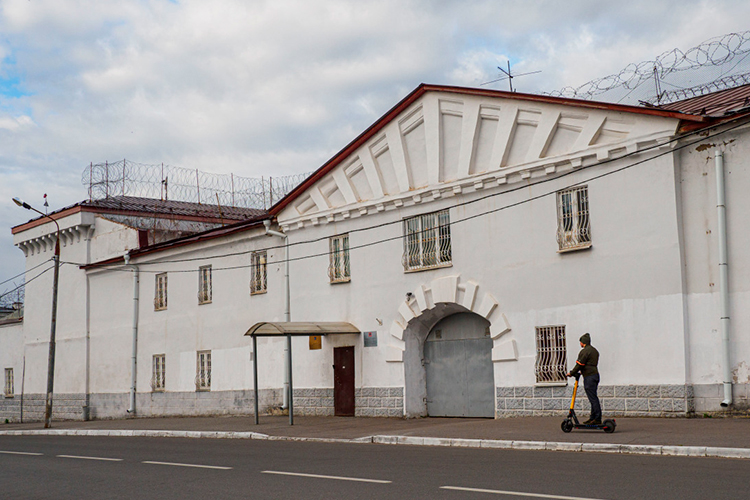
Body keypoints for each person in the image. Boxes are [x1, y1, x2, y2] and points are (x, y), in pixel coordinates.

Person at [567, 333, 601, 425]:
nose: (580, 344)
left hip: (589, 377)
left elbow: (580, 364)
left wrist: (571, 373)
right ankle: (592, 418)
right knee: (593, 397)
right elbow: (589, 363)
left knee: (593, 398)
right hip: (595, 375)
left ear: (583, 342)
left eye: (580, 342)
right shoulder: (595, 351)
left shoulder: (585, 351)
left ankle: (597, 418)